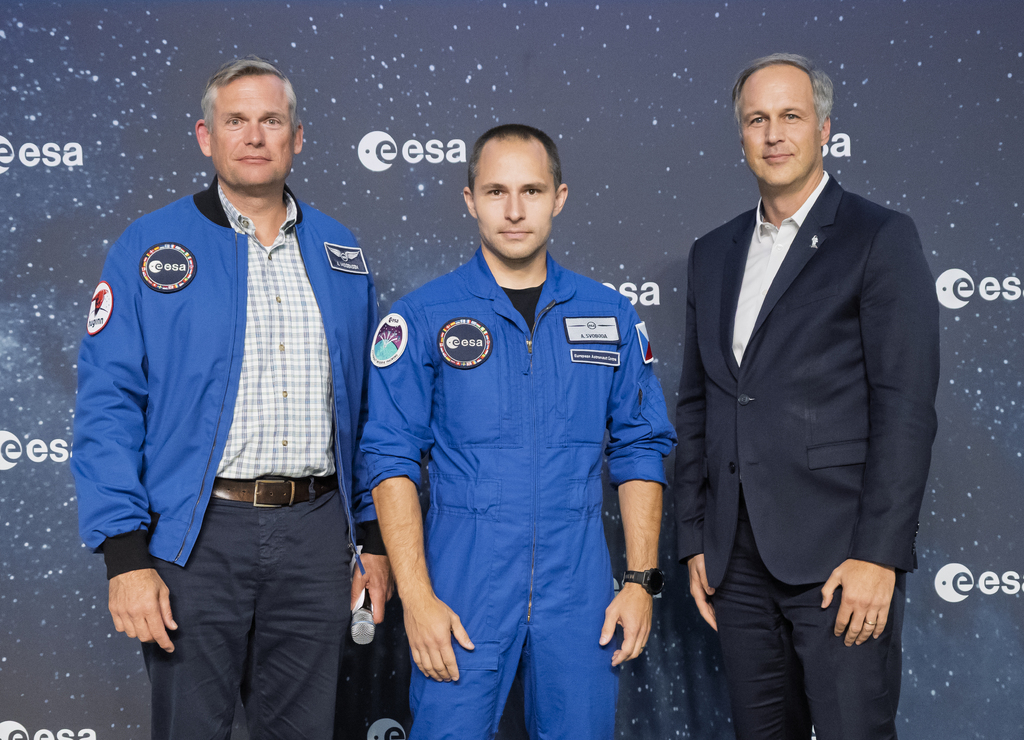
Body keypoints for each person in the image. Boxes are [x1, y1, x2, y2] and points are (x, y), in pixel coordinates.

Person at [72, 56, 391, 740]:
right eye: (236, 121)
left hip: (315, 534)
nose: (254, 136)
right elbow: (107, 406)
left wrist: (373, 539)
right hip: (196, 536)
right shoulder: (148, 246)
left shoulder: (342, 252)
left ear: (297, 137)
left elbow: (369, 413)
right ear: (204, 136)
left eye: (271, 120)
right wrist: (125, 557)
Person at [360, 124, 676, 739]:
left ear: (559, 197)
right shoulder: (423, 316)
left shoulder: (607, 315)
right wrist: (419, 600)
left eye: (531, 191)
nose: (512, 211)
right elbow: (390, 458)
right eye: (495, 191)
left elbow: (641, 448)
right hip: (462, 581)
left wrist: (639, 581)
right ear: (469, 199)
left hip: (579, 586)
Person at [674, 53, 940, 740]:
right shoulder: (711, 253)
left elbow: (905, 408)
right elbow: (699, 402)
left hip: (840, 561)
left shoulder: (879, 237)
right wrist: (697, 537)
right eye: (757, 119)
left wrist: (880, 556)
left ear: (824, 128)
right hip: (736, 565)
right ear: (740, 136)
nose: (774, 134)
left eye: (790, 116)